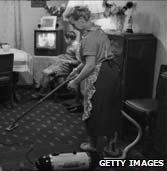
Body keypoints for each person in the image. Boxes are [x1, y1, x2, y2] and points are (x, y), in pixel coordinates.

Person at [65, 6, 122, 156]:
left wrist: (75, 82)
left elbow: (91, 64)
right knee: (108, 108)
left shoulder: (89, 38)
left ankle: (95, 145)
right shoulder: (98, 31)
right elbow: (92, 59)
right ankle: (109, 144)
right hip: (110, 72)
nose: (73, 27)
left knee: (95, 109)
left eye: (73, 23)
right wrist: (76, 70)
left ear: (82, 19)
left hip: (101, 75)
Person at [32, 31, 80, 99]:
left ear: (69, 38)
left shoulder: (77, 47)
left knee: (46, 73)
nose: (65, 41)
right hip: (62, 64)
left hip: (66, 67)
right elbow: (69, 55)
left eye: (66, 39)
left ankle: (42, 92)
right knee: (45, 71)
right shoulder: (70, 45)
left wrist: (67, 61)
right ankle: (43, 90)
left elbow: (78, 62)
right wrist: (62, 56)